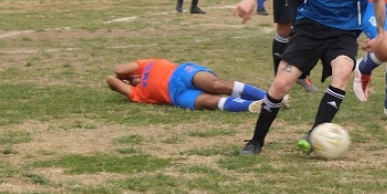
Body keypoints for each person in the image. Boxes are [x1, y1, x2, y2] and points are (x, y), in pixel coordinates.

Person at [234, 0, 387, 156]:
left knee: (342, 72)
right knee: (282, 83)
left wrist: (380, 33)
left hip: (344, 34)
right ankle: (256, 141)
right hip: (309, 28)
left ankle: (315, 134)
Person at [107, 58, 273, 112]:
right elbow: (111, 79)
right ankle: (254, 105)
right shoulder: (137, 93)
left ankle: (270, 97)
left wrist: (128, 75)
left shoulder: (145, 64)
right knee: (210, 102)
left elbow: (118, 70)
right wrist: (129, 81)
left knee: (215, 85)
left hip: (181, 73)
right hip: (176, 96)